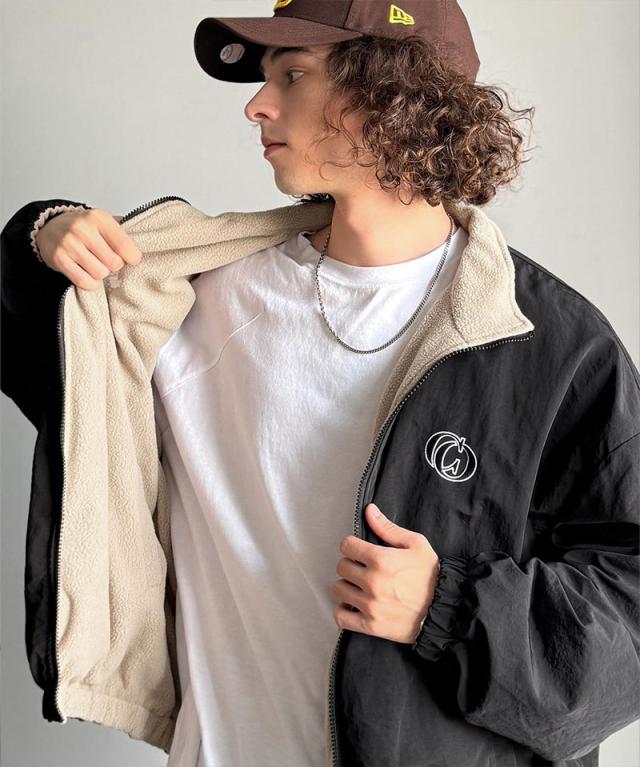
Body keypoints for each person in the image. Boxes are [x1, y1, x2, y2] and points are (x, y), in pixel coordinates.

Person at [2, 2, 639, 766]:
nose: (256, 105)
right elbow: (72, 392)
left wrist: (449, 607)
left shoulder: (547, 345)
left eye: (293, 74)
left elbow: (627, 622)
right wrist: (39, 237)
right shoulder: (191, 294)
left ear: (393, 92)